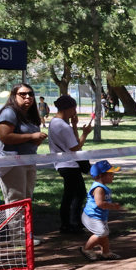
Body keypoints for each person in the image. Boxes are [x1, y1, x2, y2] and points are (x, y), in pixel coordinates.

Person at [47, 95, 92, 234]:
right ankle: (67, 225)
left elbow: (72, 142)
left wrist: (74, 125)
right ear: (72, 108)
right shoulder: (62, 126)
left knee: (79, 193)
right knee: (70, 196)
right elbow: (75, 147)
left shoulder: (55, 123)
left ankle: (75, 222)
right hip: (69, 165)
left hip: (63, 164)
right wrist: (85, 133)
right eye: (74, 109)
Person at [0, 83, 46, 203]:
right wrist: (32, 136)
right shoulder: (9, 112)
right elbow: (5, 136)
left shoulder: (30, 114)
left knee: (27, 200)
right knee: (16, 202)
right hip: (13, 163)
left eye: (30, 94)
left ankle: (26, 223)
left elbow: (28, 139)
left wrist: (36, 141)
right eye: (22, 94)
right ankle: (16, 223)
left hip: (30, 160)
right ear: (14, 96)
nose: (27, 96)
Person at [80, 161, 123, 261]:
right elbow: (99, 203)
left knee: (104, 234)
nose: (113, 176)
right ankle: (86, 249)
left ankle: (106, 253)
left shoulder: (103, 187)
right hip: (91, 216)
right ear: (101, 175)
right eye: (110, 174)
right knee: (101, 232)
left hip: (99, 216)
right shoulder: (98, 188)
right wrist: (113, 206)